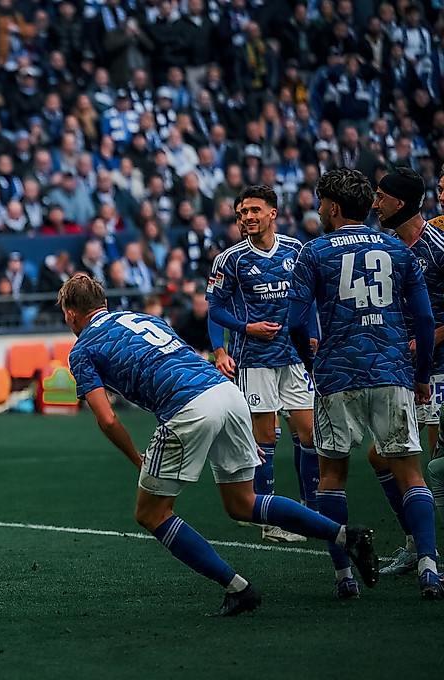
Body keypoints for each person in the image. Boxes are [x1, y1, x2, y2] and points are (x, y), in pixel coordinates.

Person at [59, 273, 378, 615]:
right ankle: (347, 536)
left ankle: (238, 588)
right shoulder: (145, 318)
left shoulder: (83, 349)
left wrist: (138, 459)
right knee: (242, 503)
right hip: (226, 393)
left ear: (71, 314)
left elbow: (107, 418)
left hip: (189, 407)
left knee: (151, 513)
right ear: (104, 304)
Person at [287, 168, 440, 600]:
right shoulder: (398, 249)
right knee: (410, 472)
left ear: (333, 208)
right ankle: (429, 567)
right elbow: (426, 320)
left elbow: (297, 320)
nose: (317, 210)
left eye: (320, 203)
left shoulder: (313, 253)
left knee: (332, 477)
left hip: (337, 374)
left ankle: (344, 578)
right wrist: (423, 374)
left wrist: (308, 360)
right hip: (392, 371)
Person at [206, 186, 318, 544]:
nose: (247, 217)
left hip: (294, 357)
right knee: (265, 438)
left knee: (310, 434)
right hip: (254, 361)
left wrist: (313, 334)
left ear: (273, 213)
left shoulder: (296, 251)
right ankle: (271, 521)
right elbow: (216, 309)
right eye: (242, 213)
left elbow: (307, 299)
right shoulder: (230, 259)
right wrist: (229, 343)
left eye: (254, 210)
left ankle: (309, 508)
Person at [351, 168, 444, 578]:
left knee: (437, 466)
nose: (375, 203)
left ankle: (432, 555)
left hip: (439, 371)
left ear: (400, 203)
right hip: (406, 372)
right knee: (381, 457)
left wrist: (424, 342)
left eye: (381, 197)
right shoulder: (387, 248)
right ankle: (415, 546)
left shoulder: (439, 246)